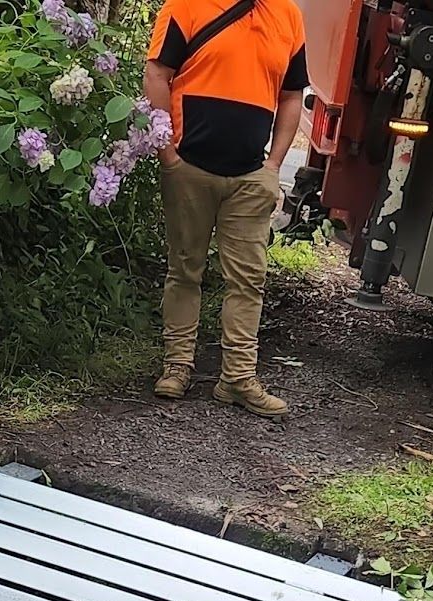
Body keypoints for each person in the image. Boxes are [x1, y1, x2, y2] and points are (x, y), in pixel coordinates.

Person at [143, 0, 308, 418]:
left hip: (251, 177)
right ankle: (177, 366)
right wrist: (169, 156)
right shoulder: (185, 5)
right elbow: (157, 74)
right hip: (189, 168)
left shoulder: (287, 14)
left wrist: (273, 167)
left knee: (249, 280)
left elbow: (292, 96)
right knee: (184, 269)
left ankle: (237, 378)